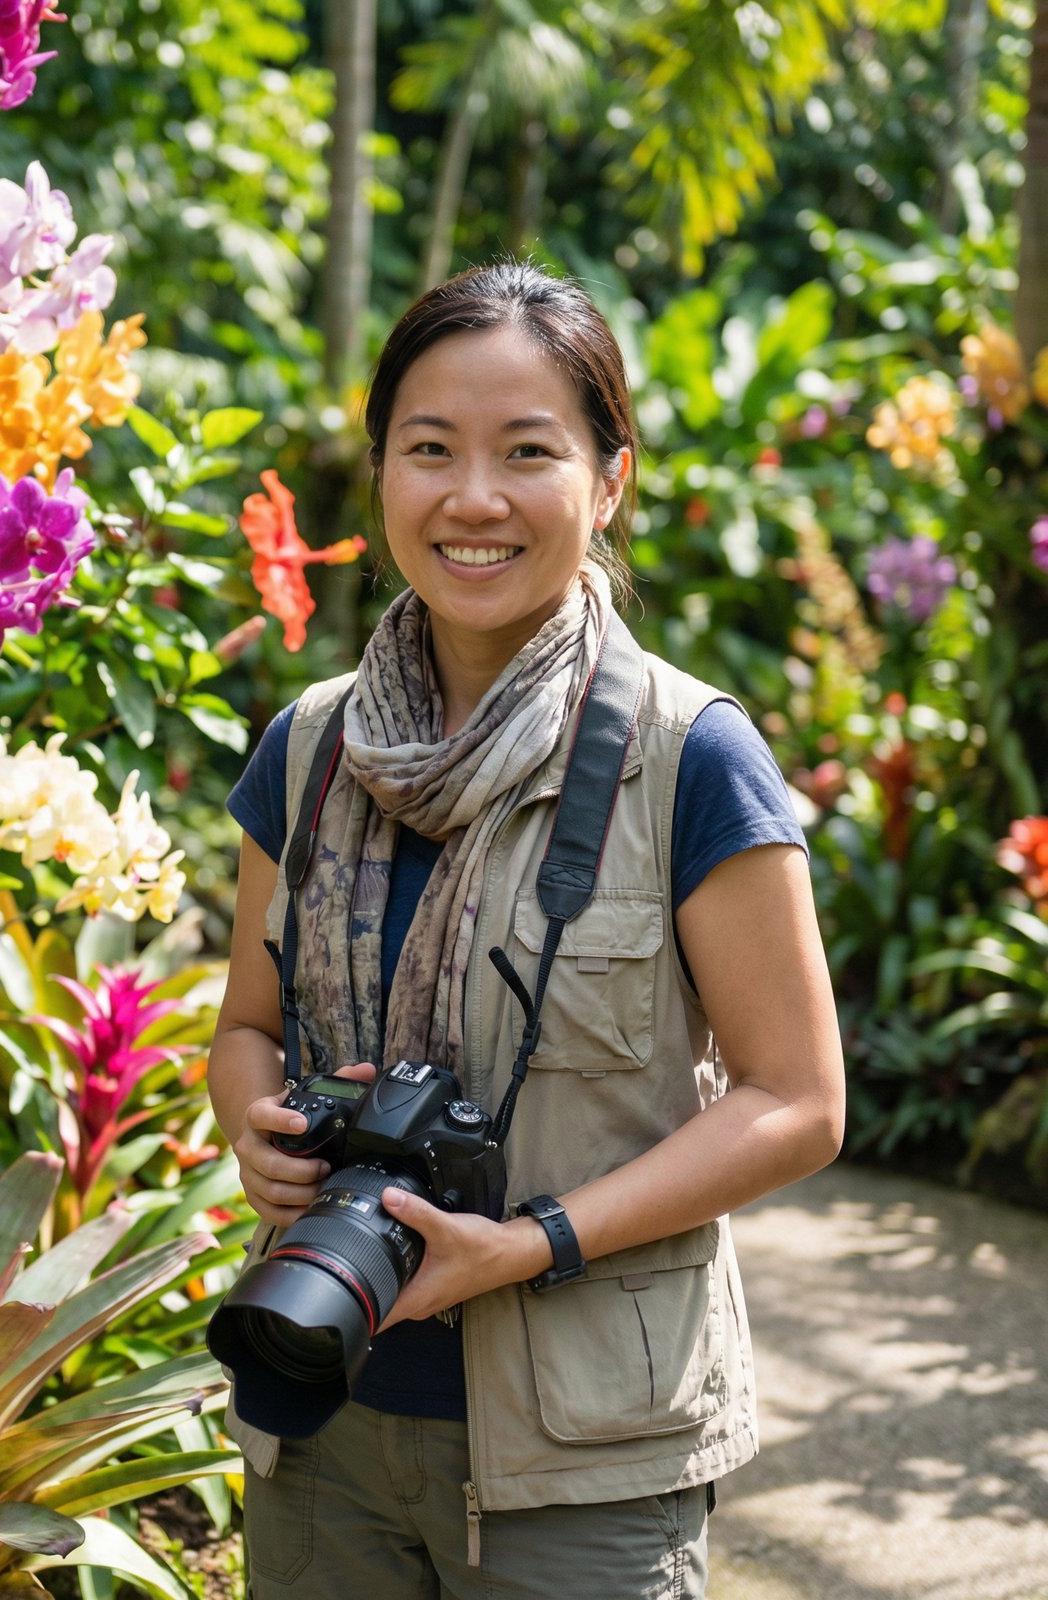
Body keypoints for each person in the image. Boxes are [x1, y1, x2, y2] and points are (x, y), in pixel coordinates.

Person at [207, 260, 846, 1600]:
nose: (473, 498)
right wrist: (257, 1125)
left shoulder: (690, 758)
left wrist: (535, 1239)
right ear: (380, 468)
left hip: (585, 1453)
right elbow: (251, 1028)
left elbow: (797, 1101)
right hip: (322, 1399)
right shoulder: (313, 746)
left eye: (529, 451)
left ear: (608, 478)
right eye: (429, 449)